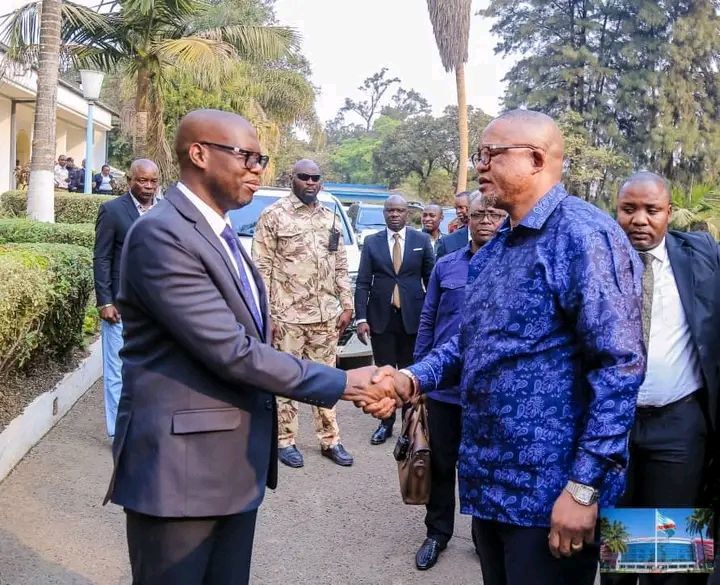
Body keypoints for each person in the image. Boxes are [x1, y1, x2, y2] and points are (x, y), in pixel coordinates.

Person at [103, 109, 395, 585]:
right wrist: (344, 381)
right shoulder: (162, 234)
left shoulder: (218, 231)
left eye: (262, 158)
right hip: (182, 475)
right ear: (198, 154)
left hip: (230, 468)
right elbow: (233, 351)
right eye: (247, 156)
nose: (258, 168)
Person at [370, 109, 645, 585]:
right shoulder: (496, 248)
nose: (479, 165)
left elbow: (618, 367)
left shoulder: (584, 236)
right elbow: (468, 341)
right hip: (492, 485)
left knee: (663, 554)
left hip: (549, 495)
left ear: (536, 159)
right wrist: (410, 377)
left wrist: (582, 489)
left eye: (491, 154)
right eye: (480, 154)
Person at [607, 171, 720, 585]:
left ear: (668, 213)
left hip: (679, 425)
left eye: (651, 210)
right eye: (629, 209)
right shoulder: (598, 264)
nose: (640, 219)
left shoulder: (701, 257)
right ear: (615, 212)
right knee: (618, 546)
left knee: (671, 554)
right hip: (612, 425)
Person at [413, 191, 506, 571]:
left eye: (495, 214)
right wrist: (417, 375)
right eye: (479, 213)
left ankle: (486, 538)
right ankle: (437, 532)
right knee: (440, 462)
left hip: (490, 390)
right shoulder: (446, 265)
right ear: (466, 218)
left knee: (485, 465)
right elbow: (428, 319)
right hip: (444, 388)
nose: (486, 220)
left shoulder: (512, 266)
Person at [252, 159, 355, 468]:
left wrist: (347, 304)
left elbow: (339, 265)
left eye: (316, 178)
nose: (311, 182)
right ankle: (284, 440)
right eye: (304, 177)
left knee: (327, 381)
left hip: (325, 317)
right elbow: (261, 269)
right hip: (287, 317)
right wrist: (266, 315)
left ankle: (330, 440)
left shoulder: (330, 218)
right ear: (292, 179)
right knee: (287, 382)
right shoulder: (273, 216)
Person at [354, 193, 434, 445]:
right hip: (381, 318)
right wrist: (361, 318)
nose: (395, 214)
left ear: (407, 213)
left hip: (413, 318)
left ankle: (409, 428)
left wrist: (432, 318)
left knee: (410, 375)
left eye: (399, 210)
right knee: (384, 376)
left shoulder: (421, 240)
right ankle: (385, 423)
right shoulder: (372, 242)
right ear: (384, 213)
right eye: (390, 211)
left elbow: (431, 280)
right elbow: (363, 282)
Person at [93, 158, 160, 438]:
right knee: (117, 371)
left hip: (157, 310)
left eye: (152, 181)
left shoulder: (166, 211)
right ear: (130, 180)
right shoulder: (112, 210)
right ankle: (119, 432)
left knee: (153, 370)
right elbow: (102, 257)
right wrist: (104, 300)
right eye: (141, 180)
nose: (147, 186)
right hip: (121, 307)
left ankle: (146, 426)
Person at [435, 191, 475, 259]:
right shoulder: (447, 241)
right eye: (456, 208)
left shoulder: (491, 237)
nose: (457, 211)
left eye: (461, 207)